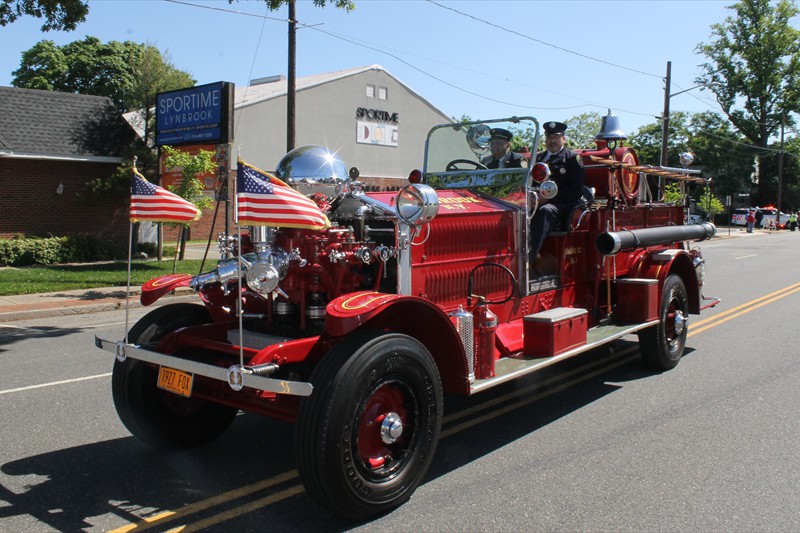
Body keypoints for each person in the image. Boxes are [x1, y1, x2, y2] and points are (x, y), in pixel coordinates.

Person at [529, 121, 585, 269]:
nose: (552, 140)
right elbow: (529, 182)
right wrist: (531, 197)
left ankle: (528, 258)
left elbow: (575, 190)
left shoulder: (572, 159)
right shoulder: (537, 158)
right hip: (535, 200)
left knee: (545, 211)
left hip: (561, 205)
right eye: (549, 136)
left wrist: (548, 198)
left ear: (563, 139)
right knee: (514, 211)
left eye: (556, 136)